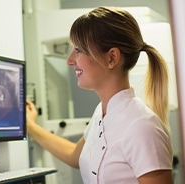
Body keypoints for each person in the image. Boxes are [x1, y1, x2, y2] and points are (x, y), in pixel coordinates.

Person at [26, 6, 173, 184]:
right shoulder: (102, 113)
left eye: (78, 50)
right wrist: (31, 127)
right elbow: (75, 156)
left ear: (111, 58)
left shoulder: (142, 126)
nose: (70, 60)